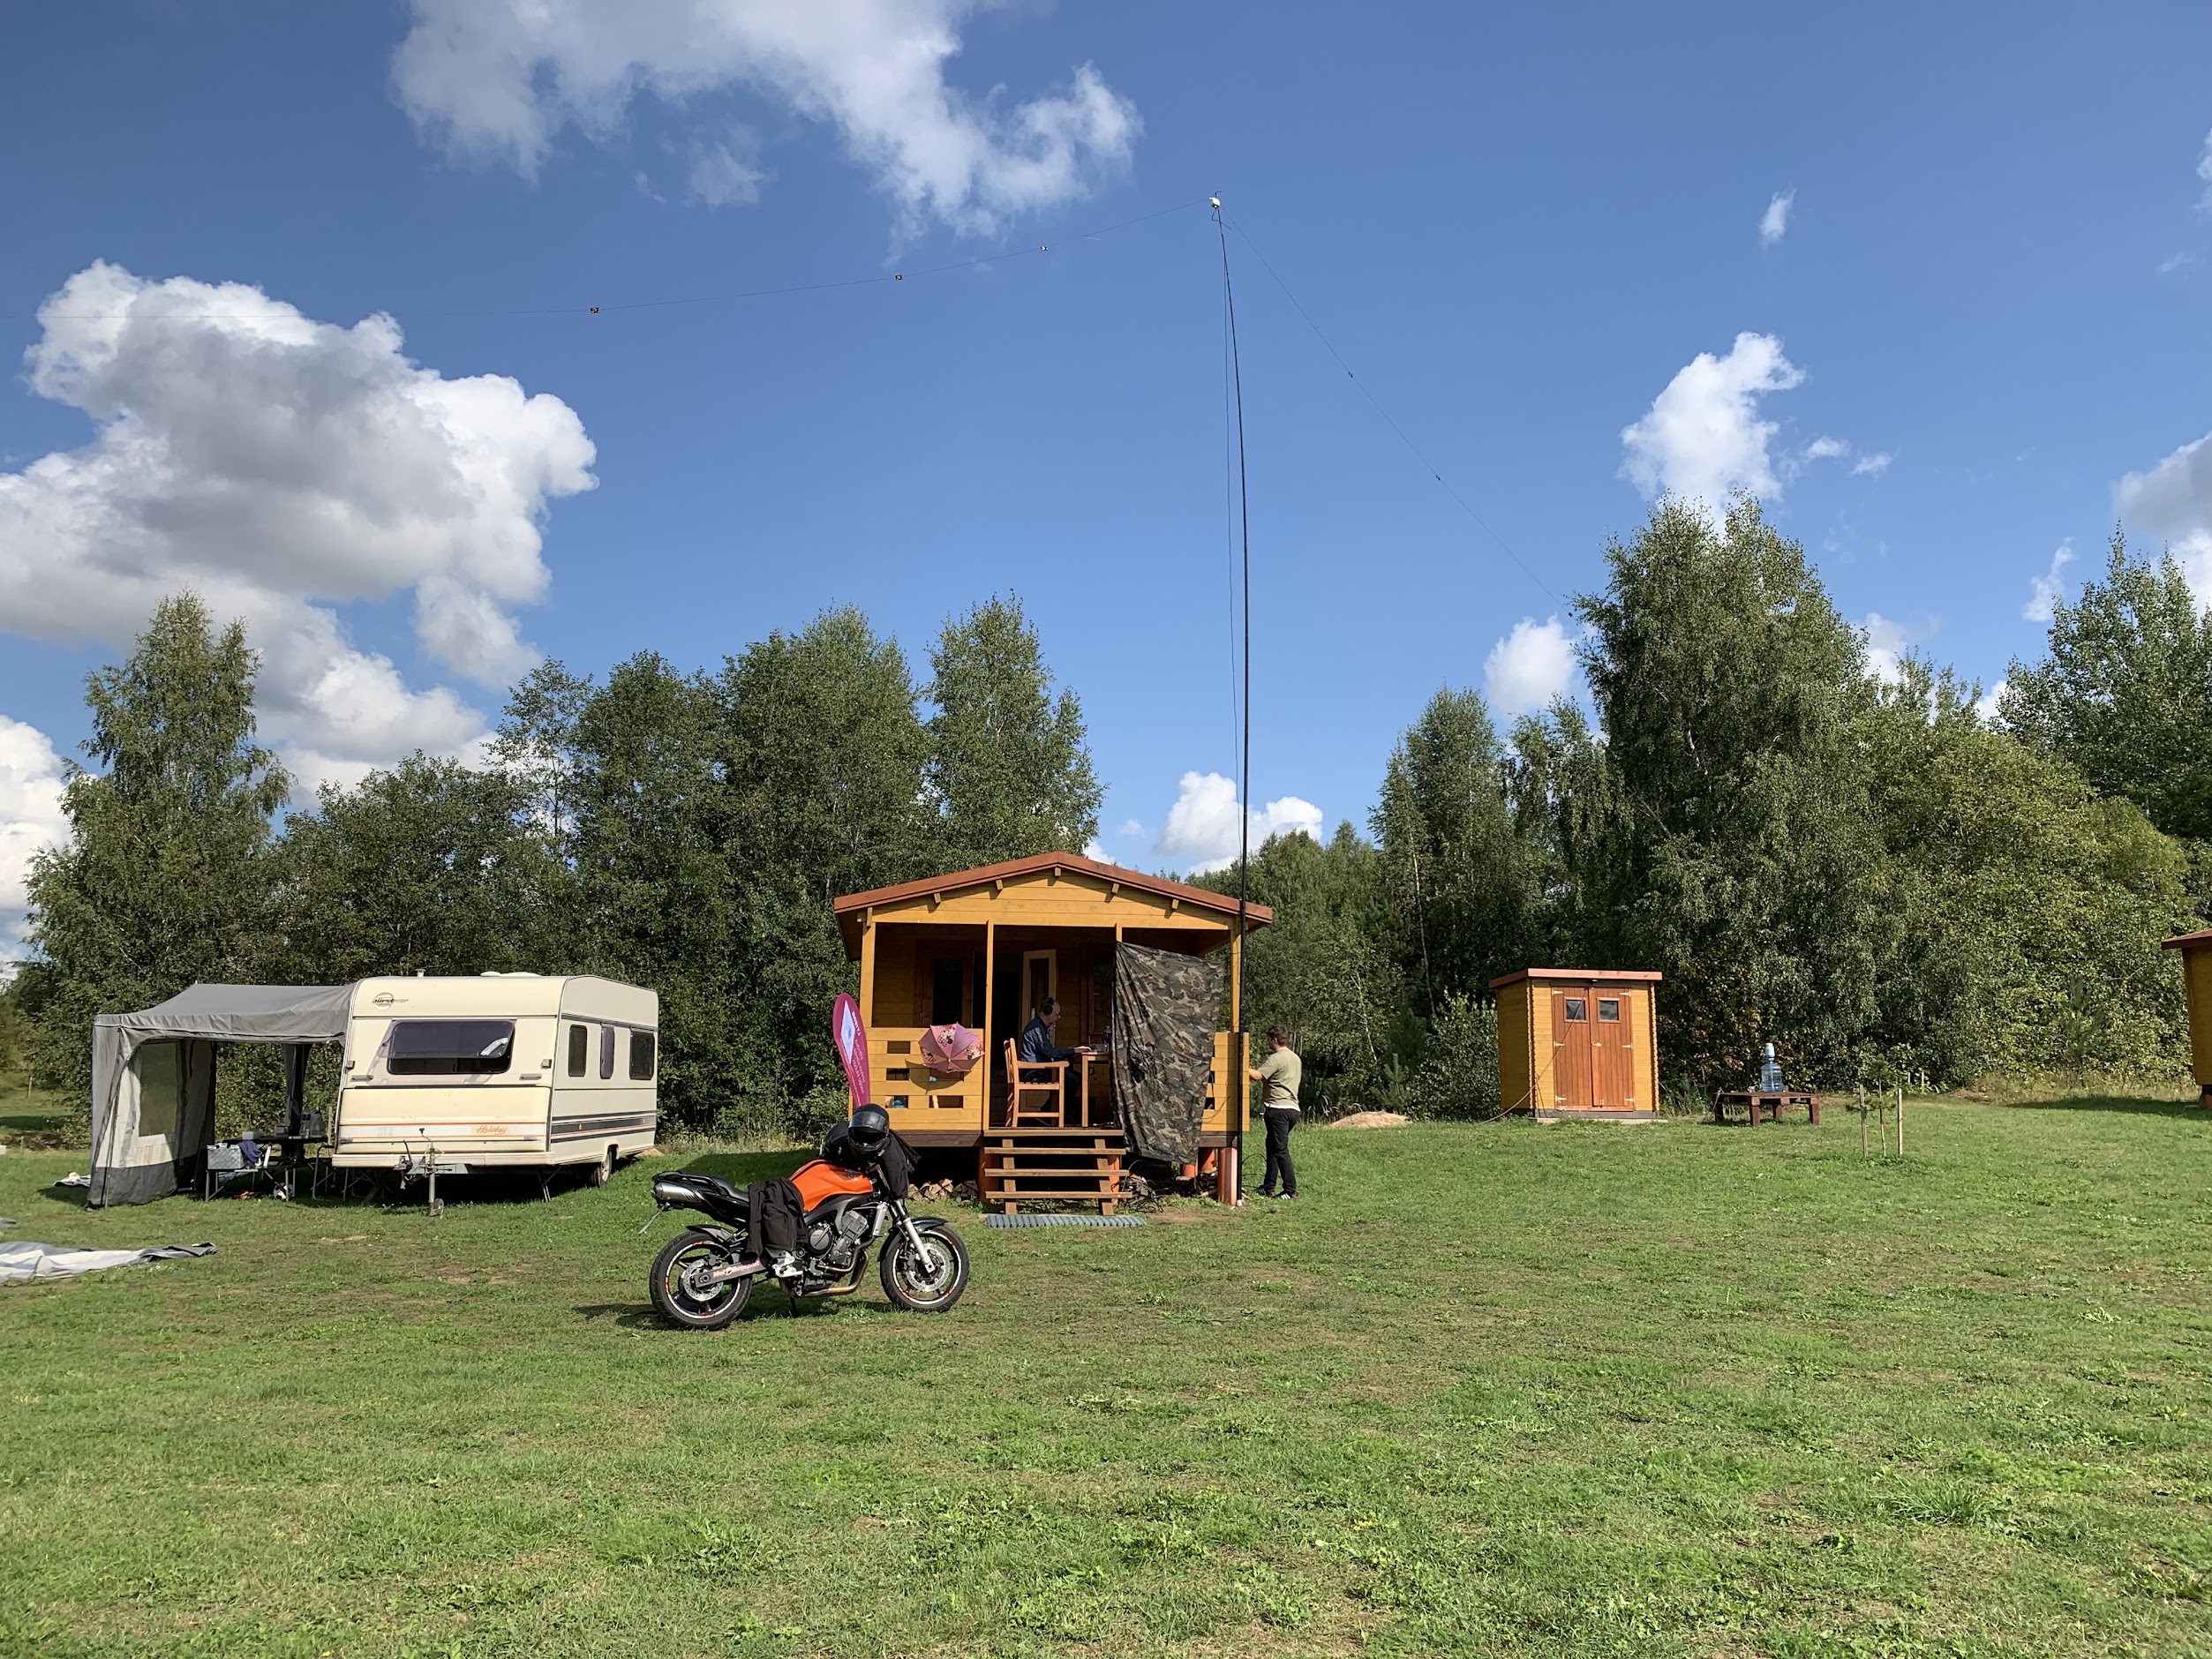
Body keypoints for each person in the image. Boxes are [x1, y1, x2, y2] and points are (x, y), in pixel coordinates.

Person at [1246, 1025, 1302, 1198]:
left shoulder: (1276, 1058)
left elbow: (1257, 1076)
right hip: (1293, 1109)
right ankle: (1268, 1186)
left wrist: (1238, 1063)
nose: (1267, 1043)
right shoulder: (1295, 1058)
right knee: (1272, 1147)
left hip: (1278, 1109)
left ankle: (1290, 1190)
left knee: (1280, 1150)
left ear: (1274, 1040)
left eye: (1268, 1040)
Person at [1016, 996, 1091, 1083]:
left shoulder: (1039, 1026)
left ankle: (1058, 1097)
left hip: (1038, 1069)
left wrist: (1071, 1051)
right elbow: (1051, 1052)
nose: (1059, 1017)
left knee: (1075, 1076)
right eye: (1057, 1013)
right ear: (1048, 1011)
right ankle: (1057, 1097)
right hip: (1033, 1072)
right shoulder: (1036, 1028)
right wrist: (1074, 1050)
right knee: (1072, 1079)